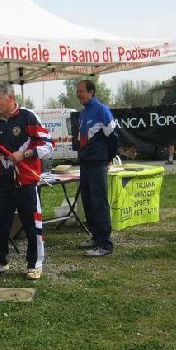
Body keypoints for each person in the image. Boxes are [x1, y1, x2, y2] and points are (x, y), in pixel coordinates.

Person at [0, 83, 55, 280]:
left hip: (26, 182)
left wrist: (25, 154)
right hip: (3, 182)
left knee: (32, 224)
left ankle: (35, 264)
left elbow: (48, 143)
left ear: (11, 98)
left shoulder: (28, 117)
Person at [74, 79, 118, 257]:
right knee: (88, 201)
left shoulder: (101, 110)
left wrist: (108, 158)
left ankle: (105, 244)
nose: (78, 94)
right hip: (85, 163)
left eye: (81, 91)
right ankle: (95, 236)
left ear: (91, 92)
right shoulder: (83, 113)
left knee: (99, 202)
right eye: (77, 92)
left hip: (98, 163)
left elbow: (112, 137)